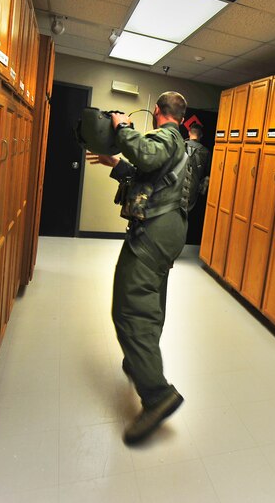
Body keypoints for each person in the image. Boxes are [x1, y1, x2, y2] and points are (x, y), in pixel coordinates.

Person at [86, 91, 190, 445]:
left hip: (154, 232)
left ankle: (157, 395)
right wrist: (116, 163)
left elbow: (147, 154)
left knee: (130, 309)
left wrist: (123, 126)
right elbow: (151, 176)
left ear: (158, 112)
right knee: (150, 298)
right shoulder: (178, 141)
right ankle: (140, 358)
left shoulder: (168, 135)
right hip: (168, 228)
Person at [185, 123, 211, 207]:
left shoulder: (179, 146)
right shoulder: (205, 152)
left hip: (176, 187)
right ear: (201, 135)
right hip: (193, 190)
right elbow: (207, 173)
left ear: (189, 133)